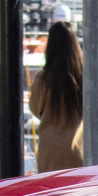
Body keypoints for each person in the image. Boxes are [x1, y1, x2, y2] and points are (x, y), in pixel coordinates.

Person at [29, 9, 85, 172]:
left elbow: (35, 108)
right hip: (79, 152)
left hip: (50, 154)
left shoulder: (43, 79)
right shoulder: (85, 78)